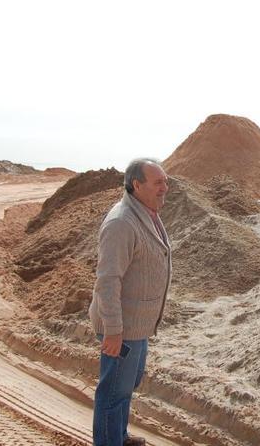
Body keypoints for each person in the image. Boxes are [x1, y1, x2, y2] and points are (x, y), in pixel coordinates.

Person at [88, 158, 171, 446]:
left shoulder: (146, 213)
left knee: (126, 385)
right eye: (158, 182)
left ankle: (118, 436)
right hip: (121, 326)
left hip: (137, 325)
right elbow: (108, 280)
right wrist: (113, 330)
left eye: (166, 181)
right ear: (137, 185)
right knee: (113, 391)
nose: (165, 188)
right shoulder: (121, 223)